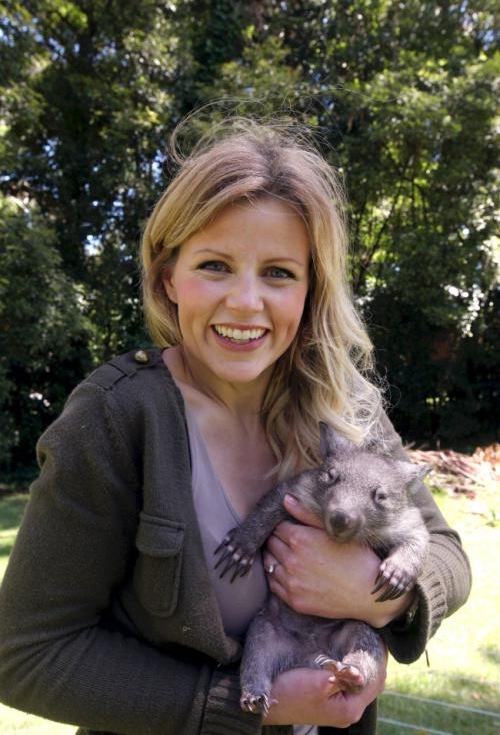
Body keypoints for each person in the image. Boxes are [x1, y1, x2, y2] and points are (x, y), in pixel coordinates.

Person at [0, 119, 471, 735]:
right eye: (215, 264)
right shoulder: (115, 417)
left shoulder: (343, 404)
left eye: (278, 272)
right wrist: (238, 706)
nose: (246, 302)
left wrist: (383, 595)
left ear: (311, 289)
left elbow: (447, 555)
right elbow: (25, 654)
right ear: (168, 278)